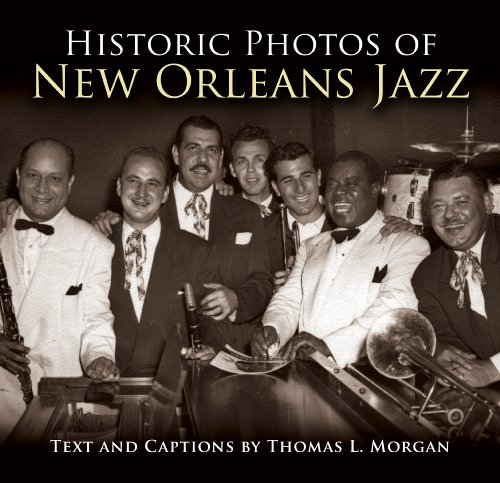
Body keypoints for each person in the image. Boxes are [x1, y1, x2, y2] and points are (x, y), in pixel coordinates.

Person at [91, 116, 273, 354]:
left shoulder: (246, 212)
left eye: (211, 150)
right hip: (158, 353)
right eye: (193, 148)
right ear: (176, 154)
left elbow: (263, 281)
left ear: (220, 158)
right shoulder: (146, 205)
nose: (202, 159)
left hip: (234, 348)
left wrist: (237, 298)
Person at [252, 150, 430, 368]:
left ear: (375, 190)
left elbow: (396, 306)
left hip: (370, 373)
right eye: (332, 185)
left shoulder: (407, 243)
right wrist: (273, 329)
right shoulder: (311, 245)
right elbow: (289, 300)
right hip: (309, 370)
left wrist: (330, 346)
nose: (339, 193)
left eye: (351, 184)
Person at [0, 138, 118, 443]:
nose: (42, 188)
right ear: (18, 176)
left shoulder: (95, 246)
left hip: (57, 405)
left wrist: (99, 357)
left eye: (54, 178)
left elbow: (95, 318)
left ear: (70, 182)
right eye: (33, 175)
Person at [109, 146, 219, 377]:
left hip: (174, 385)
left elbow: (214, 319)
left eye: (153, 183)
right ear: (119, 186)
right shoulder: (95, 246)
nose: (141, 192)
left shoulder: (197, 251)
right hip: (108, 383)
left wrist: (210, 347)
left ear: (166, 193)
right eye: (133, 181)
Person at [411, 160, 500, 388]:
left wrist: (493, 369)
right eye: (438, 205)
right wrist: (442, 353)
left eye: (461, 202)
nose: (449, 215)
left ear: (487, 202)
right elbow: (445, 335)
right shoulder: (427, 275)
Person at [228, 124, 281, 217]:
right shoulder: (221, 213)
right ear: (232, 169)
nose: (250, 169)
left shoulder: (289, 213)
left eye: (259, 160)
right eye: (242, 162)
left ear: (272, 166)